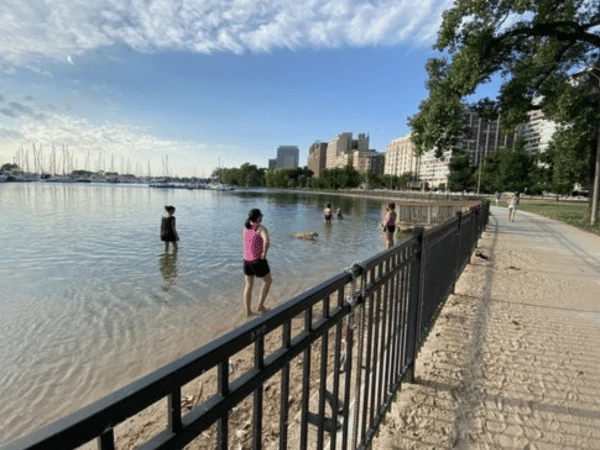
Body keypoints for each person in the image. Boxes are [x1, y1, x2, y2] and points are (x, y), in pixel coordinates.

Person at [242, 208, 272, 317]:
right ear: (258, 217)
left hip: (246, 260)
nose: (262, 217)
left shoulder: (246, 228)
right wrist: (264, 254)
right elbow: (267, 241)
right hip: (257, 261)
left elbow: (244, 241)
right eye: (261, 215)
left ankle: (248, 312)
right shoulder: (261, 228)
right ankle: (260, 306)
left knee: (248, 285)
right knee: (268, 281)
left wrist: (245, 253)